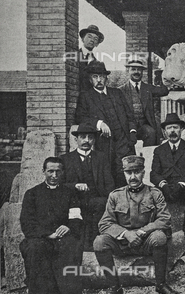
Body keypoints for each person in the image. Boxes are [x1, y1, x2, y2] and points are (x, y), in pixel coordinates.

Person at [93, 155, 180, 294]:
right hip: (122, 243)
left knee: (159, 237)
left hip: (146, 242)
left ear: (143, 172)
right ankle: (114, 287)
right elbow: (105, 223)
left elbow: (165, 219)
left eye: (137, 172)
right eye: (129, 172)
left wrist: (142, 232)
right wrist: (126, 234)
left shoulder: (154, 193)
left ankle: (161, 284)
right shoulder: (115, 195)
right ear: (124, 173)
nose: (133, 176)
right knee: (99, 242)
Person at [19, 157, 84, 294]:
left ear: (63, 172)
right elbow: (27, 223)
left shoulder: (70, 193)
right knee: (36, 248)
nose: (54, 175)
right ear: (44, 172)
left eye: (58, 171)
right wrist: (48, 234)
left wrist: (68, 228)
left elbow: (76, 217)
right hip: (40, 237)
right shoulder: (32, 194)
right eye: (50, 171)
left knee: (69, 247)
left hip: (64, 236)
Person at [75, 60, 137, 188]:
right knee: (108, 175)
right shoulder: (85, 96)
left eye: (102, 77)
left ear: (106, 79)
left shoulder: (117, 93)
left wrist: (132, 133)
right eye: (95, 77)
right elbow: (80, 117)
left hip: (124, 141)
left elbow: (130, 116)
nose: (99, 80)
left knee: (127, 173)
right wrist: (99, 123)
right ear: (90, 79)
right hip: (104, 143)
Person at [60, 122, 115, 250]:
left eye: (90, 138)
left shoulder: (101, 158)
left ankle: (95, 244)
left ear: (94, 140)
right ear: (76, 139)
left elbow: (109, 182)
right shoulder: (65, 159)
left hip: (96, 200)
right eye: (83, 137)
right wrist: (75, 186)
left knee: (100, 204)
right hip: (74, 200)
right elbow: (60, 184)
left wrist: (111, 199)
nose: (87, 141)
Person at [150, 113, 185, 240]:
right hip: (167, 186)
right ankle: (164, 226)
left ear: (181, 129)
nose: (172, 131)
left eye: (175, 127)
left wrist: (181, 183)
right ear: (164, 132)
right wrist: (163, 184)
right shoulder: (159, 150)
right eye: (169, 128)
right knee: (153, 191)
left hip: (184, 186)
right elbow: (154, 174)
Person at [119, 58, 169, 146]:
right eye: (133, 69)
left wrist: (161, 75)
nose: (136, 72)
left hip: (144, 126)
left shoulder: (148, 88)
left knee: (151, 133)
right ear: (128, 71)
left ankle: (147, 157)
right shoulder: (121, 90)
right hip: (126, 126)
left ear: (142, 72)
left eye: (139, 69)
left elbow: (164, 91)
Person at [78, 25, 104, 92]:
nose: (92, 40)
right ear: (82, 39)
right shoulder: (74, 55)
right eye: (89, 37)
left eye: (95, 39)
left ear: (97, 44)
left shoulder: (96, 61)